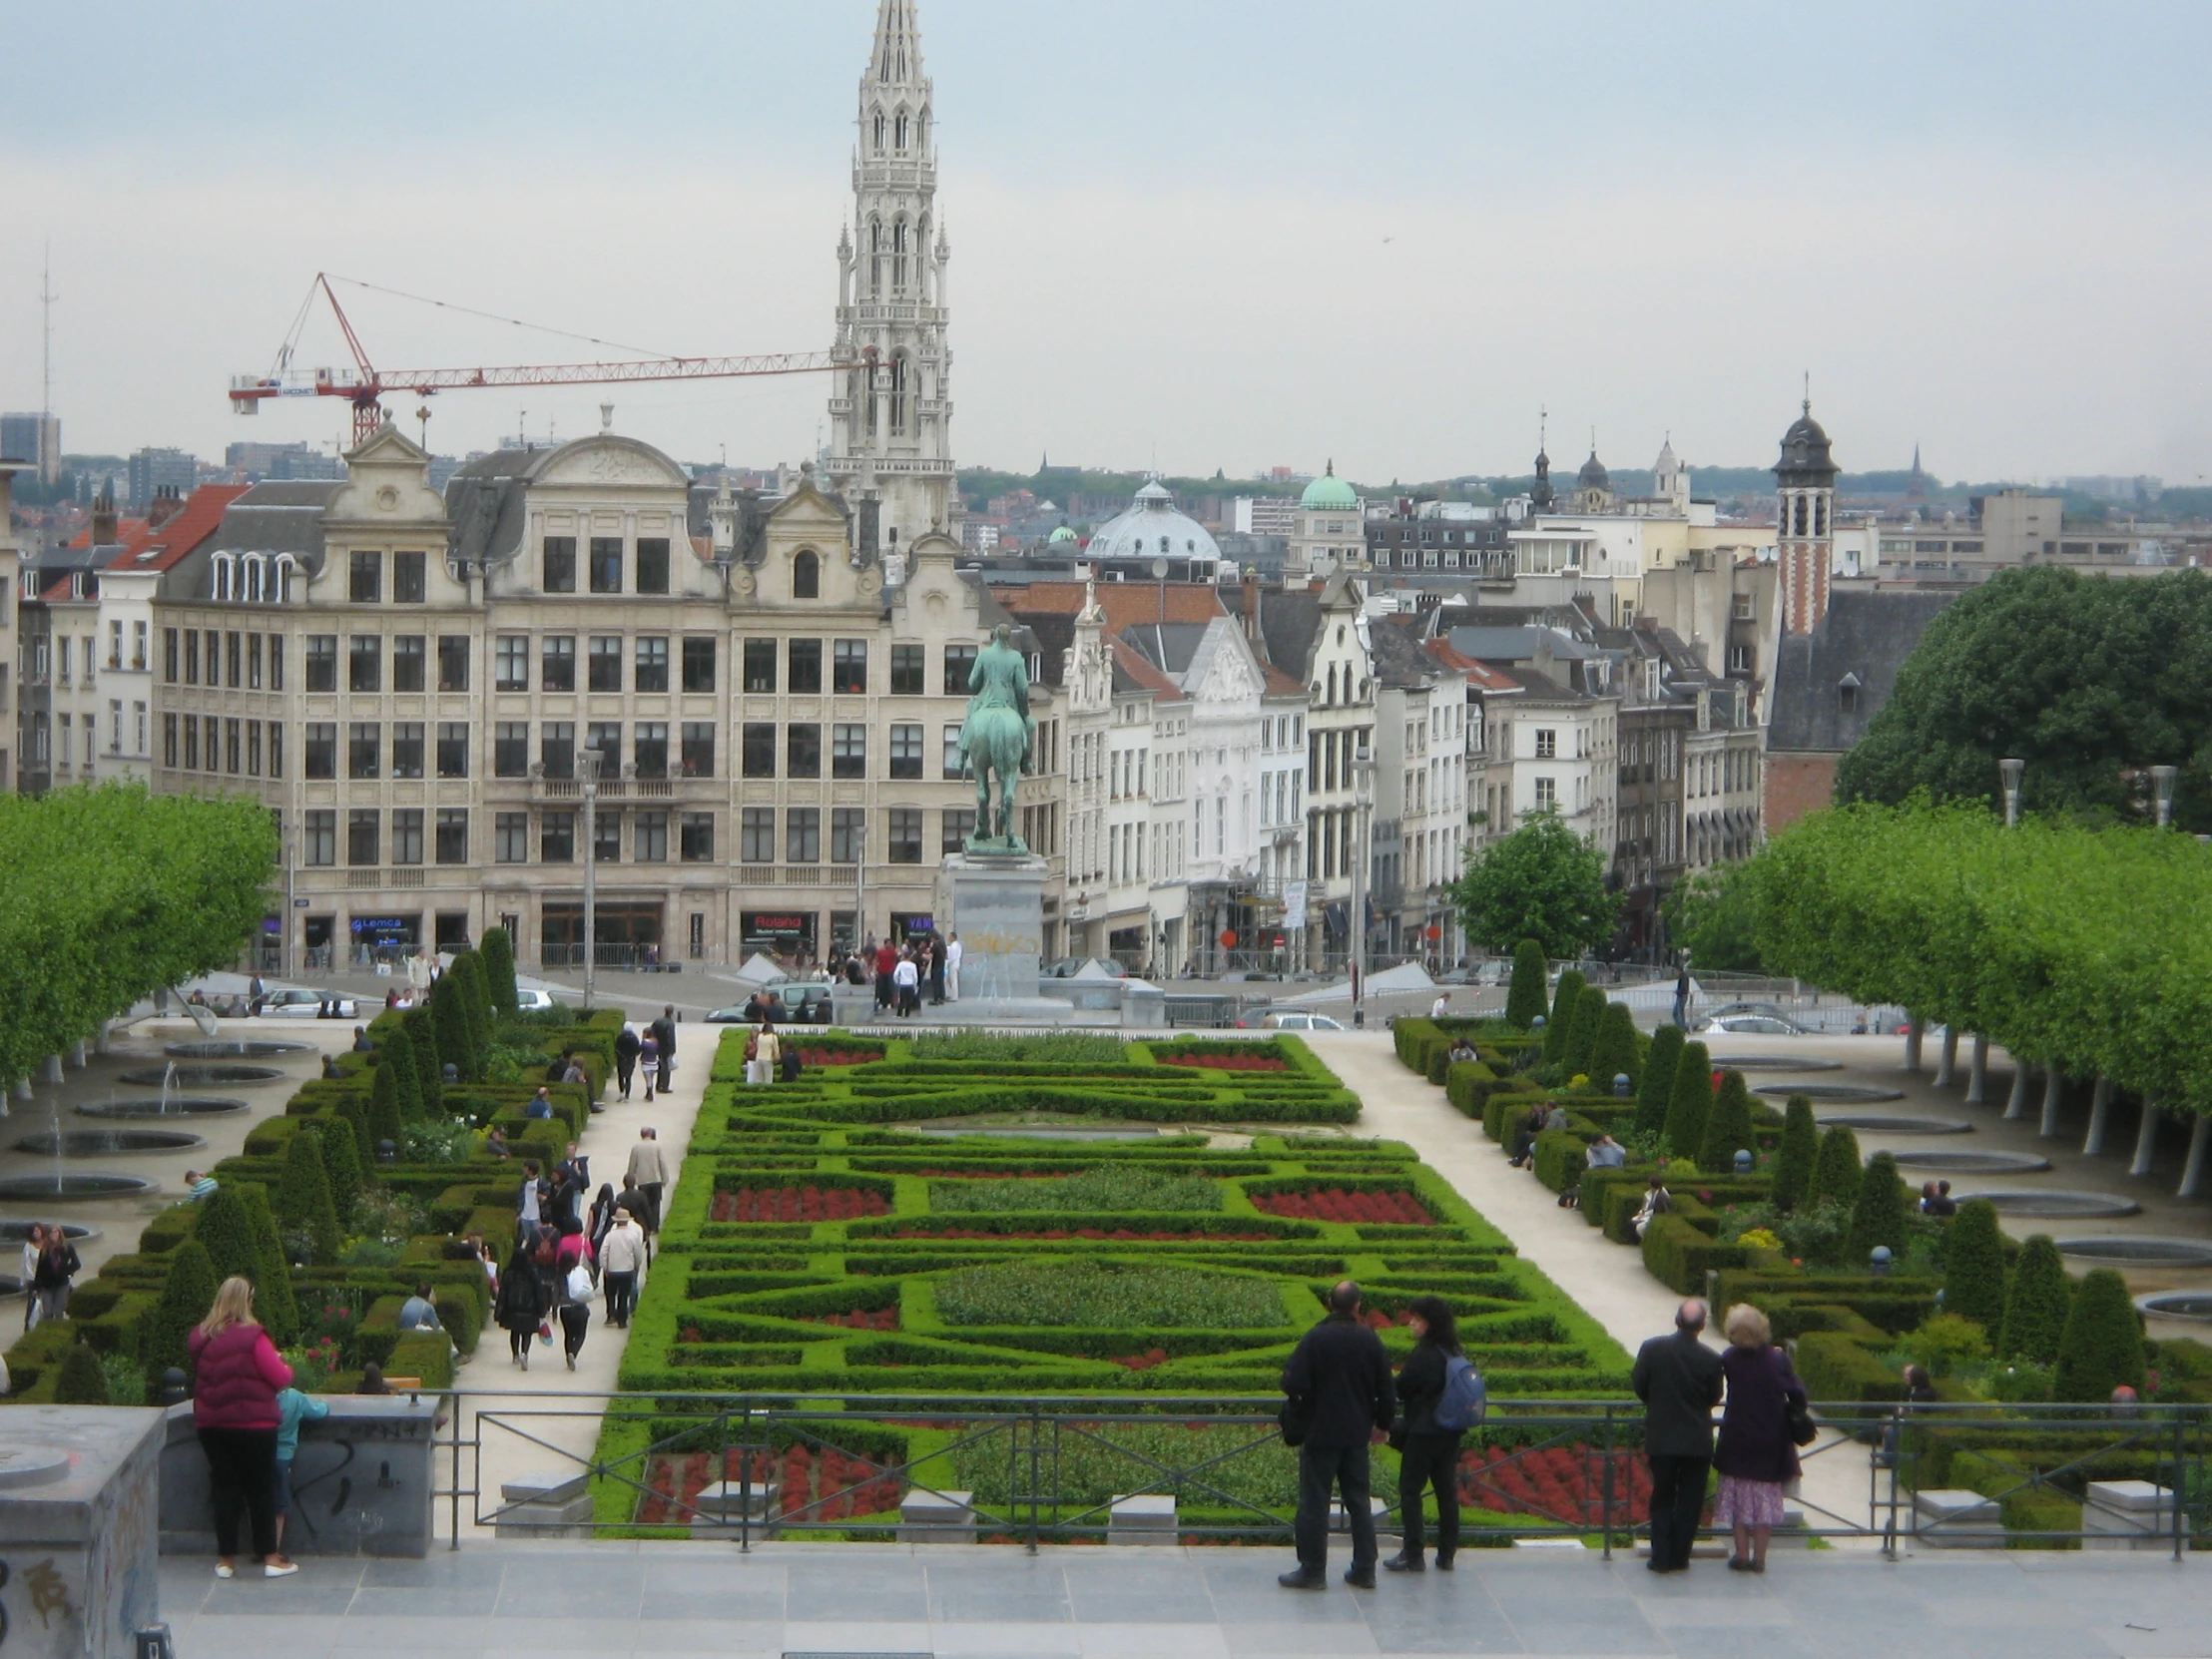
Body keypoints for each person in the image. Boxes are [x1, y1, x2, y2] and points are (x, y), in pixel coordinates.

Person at [1278, 1280, 1396, 1590]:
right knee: (1359, 1502)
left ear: (1330, 1303)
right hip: (1357, 1433)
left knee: (1314, 1502)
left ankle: (1313, 1570)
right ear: (1357, 1306)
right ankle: (1364, 1569)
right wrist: (1383, 1425)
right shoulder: (1370, 1339)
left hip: (1320, 1433)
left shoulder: (1316, 1338)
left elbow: (1292, 1383)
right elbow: (1387, 1389)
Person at [188, 1277, 299, 1578]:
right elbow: (280, 1377)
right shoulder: (253, 1337)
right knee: (260, 1490)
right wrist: (285, 1365)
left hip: (211, 1424)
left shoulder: (202, 1336)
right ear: (245, 1301)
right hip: (254, 1424)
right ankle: (271, 1558)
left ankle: (226, 1560)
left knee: (225, 1490)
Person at [1631, 1298, 1726, 1574]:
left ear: (1676, 1321)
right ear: (1703, 1325)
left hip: (1662, 1436)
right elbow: (1713, 1397)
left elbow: (1640, 1386)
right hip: (1697, 1440)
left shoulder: (1652, 1348)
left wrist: (1660, 1405)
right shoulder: (1711, 1358)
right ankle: (1680, 1557)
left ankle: (1660, 1558)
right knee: (1691, 1500)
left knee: (1662, 1496)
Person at [1713, 1303, 1808, 1573]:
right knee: (1763, 1502)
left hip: (1737, 1436)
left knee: (1738, 1500)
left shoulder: (1729, 1358)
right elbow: (1798, 1394)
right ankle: (1760, 1558)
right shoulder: (1778, 1359)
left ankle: (1741, 1553)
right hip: (1770, 1437)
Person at [1383, 1295, 1467, 1573]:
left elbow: (1401, 1388)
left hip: (1423, 1433)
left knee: (1410, 1491)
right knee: (1446, 1493)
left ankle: (1413, 1553)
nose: (1412, 1324)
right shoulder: (1453, 1352)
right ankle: (1446, 1555)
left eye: (1417, 1319)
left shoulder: (1424, 1354)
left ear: (1429, 1323)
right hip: (1450, 1432)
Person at [271, 1380, 328, 1550]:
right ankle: (273, 1547)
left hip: (260, 1454)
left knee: (259, 1500)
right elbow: (318, 1412)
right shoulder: (295, 1398)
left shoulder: (260, 1398)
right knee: (280, 1504)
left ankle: (259, 1545)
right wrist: (325, 1405)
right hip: (283, 1455)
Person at [496, 1240, 549, 1370]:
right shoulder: (532, 1274)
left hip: (512, 1309)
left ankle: (515, 1355)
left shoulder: (508, 1274)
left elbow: (502, 1294)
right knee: (527, 1333)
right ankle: (525, 1353)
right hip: (530, 1310)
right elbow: (539, 1294)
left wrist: (499, 1311)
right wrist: (542, 1310)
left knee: (515, 1333)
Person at [601, 1204, 648, 1327]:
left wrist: (605, 1267)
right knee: (623, 1296)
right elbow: (638, 1253)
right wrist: (636, 1265)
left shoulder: (610, 1235)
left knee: (611, 1294)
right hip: (627, 1270)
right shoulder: (633, 1235)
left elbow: (603, 1252)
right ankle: (622, 1321)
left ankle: (611, 1315)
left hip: (612, 1270)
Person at [555, 1249, 593, 1371]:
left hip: (565, 1309)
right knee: (581, 1334)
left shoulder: (559, 1274)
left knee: (568, 1334)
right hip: (580, 1307)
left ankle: (568, 1355)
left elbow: (555, 1293)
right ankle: (574, 1353)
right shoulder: (579, 1271)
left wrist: (554, 1310)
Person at [628, 1128, 669, 1235]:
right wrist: (665, 1178)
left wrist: (630, 1181)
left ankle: (647, 1227)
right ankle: (655, 1227)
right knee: (655, 1204)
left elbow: (632, 1165)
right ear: (651, 1135)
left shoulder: (636, 1148)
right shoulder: (657, 1146)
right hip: (655, 1179)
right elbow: (662, 1163)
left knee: (644, 1205)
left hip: (642, 1181)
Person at [1630, 1175, 1674, 1241]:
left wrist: (1644, 1215)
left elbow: (1657, 1211)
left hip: (1657, 1218)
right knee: (1634, 1222)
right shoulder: (1657, 1193)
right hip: (1653, 1215)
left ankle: (1646, 1241)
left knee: (1640, 1227)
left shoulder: (1660, 1196)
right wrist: (1643, 1213)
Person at [19, 1226, 42, 1332]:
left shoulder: (46, 1245)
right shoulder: (28, 1246)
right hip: (33, 1280)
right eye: (34, 1231)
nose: (36, 1233)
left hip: (46, 1278)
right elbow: (25, 1264)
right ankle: (28, 1328)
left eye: (38, 1230)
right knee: (32, 1304)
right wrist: (24, 1280)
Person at [515, 1160, 544, 1242]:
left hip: (536, 1216)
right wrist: (519, 1213)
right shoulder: (524, 1181)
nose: (523, 1169)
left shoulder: (541, 1182)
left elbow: (548, 1197)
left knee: (537, 1239)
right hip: (525, 1215)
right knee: (527, 1239)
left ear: (530, 1170)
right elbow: (520, 1198)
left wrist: (543, 1198)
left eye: (525, 1168)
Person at [651, 1006, 678, 1093]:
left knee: (660, 1066)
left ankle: (658, 1085)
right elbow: (671, 1038)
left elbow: (652, 1033)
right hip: (666, 1048)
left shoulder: (657, 1021)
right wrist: (673, 1050)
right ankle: (665, 1086)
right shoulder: (670, 1023)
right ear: (672, 1012)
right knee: (666, 1068)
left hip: (658, 1047)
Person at [614, 1024, 641, 1100]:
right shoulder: (634, 1038)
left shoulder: (620, 1037)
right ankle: (627, 1095)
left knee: (621, 1076)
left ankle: (621, 1092)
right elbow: (638, 1049)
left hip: (621, 1059)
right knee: (628, 1077)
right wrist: (633, 1055)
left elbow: (616, 1048)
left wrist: (620, 1055)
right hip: (630, 1059)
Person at [892, 950, 920, 1017]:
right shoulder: (913, 965)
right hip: (910, 984)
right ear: (910, 957)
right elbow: (915, 977)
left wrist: (897, 982)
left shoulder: (901, 964)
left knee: (902, 1000)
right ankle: (907, 1014)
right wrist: (915, 985)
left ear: (903, 956)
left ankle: (899, 1014)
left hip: (902, 984)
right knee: (909, 1000)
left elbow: (895, 974)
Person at [873, 937, 898, 1011]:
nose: (890, 945)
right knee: (882, 987)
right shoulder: (880, 952)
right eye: (888, 943)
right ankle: (883, 1002)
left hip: (890, 971)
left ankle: (890, 1002)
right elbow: (876, 960)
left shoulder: (892, 952)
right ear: (885, 944)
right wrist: (875, 970)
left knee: (890, 987)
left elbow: (895, 960)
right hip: (881, 971)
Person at [754, 1022, 782, 1086]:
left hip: (758, 1058)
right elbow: (776, 1049)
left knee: (759, 1080)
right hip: (768, 1059)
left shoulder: (760, 1036)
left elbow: (758, 1046)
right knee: (768, 1080)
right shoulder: (773, 1037)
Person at [639, 1030, 661, 1103]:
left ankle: (650, 1094)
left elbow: (640, 1049)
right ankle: (648, 1093)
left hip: (646, 1063)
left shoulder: (644, 1042)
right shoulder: (656, 1042)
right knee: (651, 1079)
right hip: (654, 1063)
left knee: (648, 1080)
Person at [928, 933, 947, 1005]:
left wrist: (921, 955)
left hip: (936, 966)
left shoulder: (934, 946)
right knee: (940, 982)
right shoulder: (941, 944)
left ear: (933, 938)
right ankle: (941, 998)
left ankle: (936, 999)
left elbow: (930, 957)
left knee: (935, 983)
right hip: (941, 965)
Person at [1672, 965, 1692, 1029]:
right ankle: (1681, 1027)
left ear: (1678, 970)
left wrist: (1678, 992)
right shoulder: (1683, 976)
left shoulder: (1683, 977)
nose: (1674, 972)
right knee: (1679, 1013)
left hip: (1681, 996)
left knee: (1677, 1013)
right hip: (1682, 996)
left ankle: (1681, 1028)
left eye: (1675, 971)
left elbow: (1684, 987)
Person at [946, 931, 962, 1000]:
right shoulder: (958, 945)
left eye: (950, 936)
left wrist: (948, 962)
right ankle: (953, 995)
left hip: (953, 964)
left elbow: (952, 957)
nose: (948, 938)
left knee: (953, 981)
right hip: (957, 964)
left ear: (953, 937)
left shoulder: (953, 945)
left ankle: (954, 997)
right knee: (954, 980)